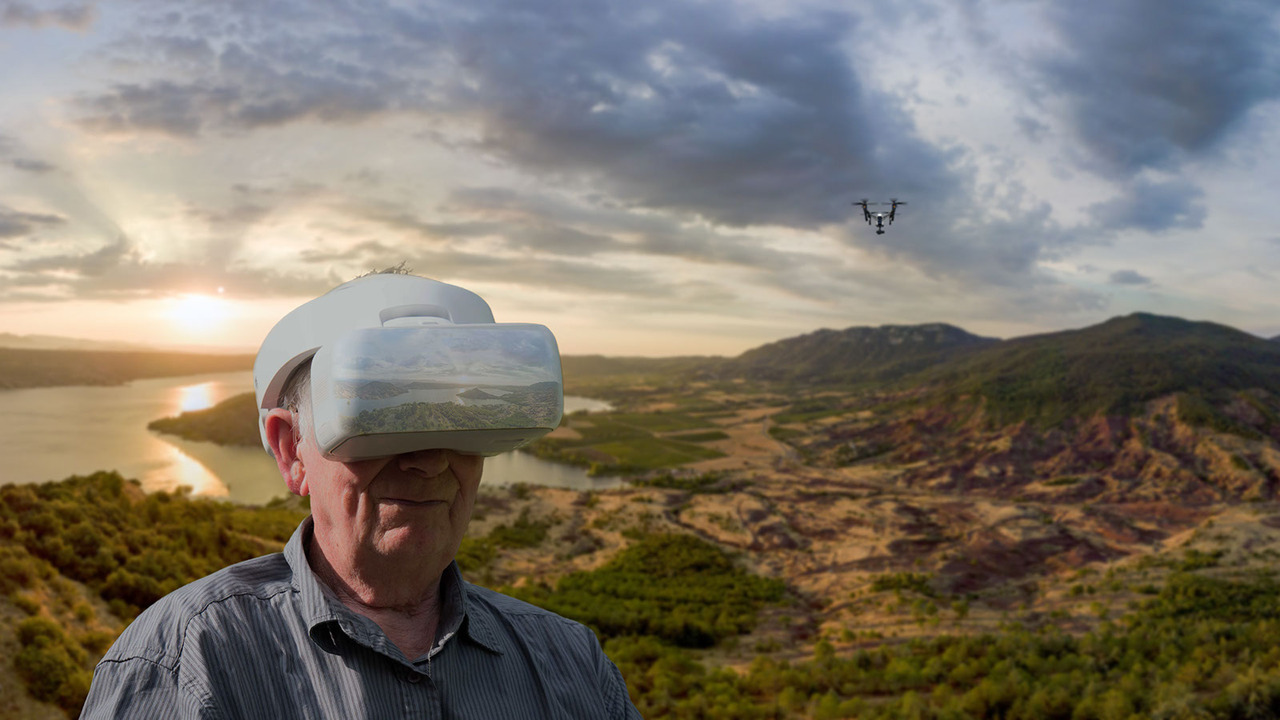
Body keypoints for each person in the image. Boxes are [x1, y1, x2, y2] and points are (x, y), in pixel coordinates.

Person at [82, 272, 642, 719]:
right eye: (383, 419)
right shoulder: (187, 662)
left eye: (461, 418)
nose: (429, 460)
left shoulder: (571, 662)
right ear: (291, 449)